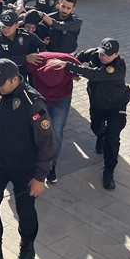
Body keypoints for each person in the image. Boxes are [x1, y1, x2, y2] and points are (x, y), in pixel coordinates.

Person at [0, 59, 56, 259]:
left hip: (24, 167)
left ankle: (27, 248)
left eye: (1, 83)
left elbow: (47, 144)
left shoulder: (33, 103)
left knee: (25, 211)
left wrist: (40, 177)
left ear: (15, 79)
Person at [50, 38, 130, 190]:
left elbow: (94, 74)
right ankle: (101, 136)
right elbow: (80, 56)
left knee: (112, 139)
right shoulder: (95, 54)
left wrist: (67, 66)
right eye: (102, 53)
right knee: (95, 127)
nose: (103, 57)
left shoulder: (117, 68)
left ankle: (109, 171)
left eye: (107, 55)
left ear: (116, 54)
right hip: (98, 103)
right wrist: (73, 71)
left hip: (116, 105)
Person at [25, 53, 81, 183]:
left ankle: (51, 166)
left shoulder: (70, 62)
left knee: (56, 131)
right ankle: (36, 162)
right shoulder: (35, 62)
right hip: (41, 98)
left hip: (62, 99)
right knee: (36, 129)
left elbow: (83, 68)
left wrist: (75, 74)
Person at [0, 10, 46, 81]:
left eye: (9, 27)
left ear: (17, 25)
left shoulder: (25, 35)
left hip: (21, 74)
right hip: (1, 74)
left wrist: (38, 60)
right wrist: (25, 59)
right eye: (3, 27)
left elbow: (41, 45)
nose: (5, 30)